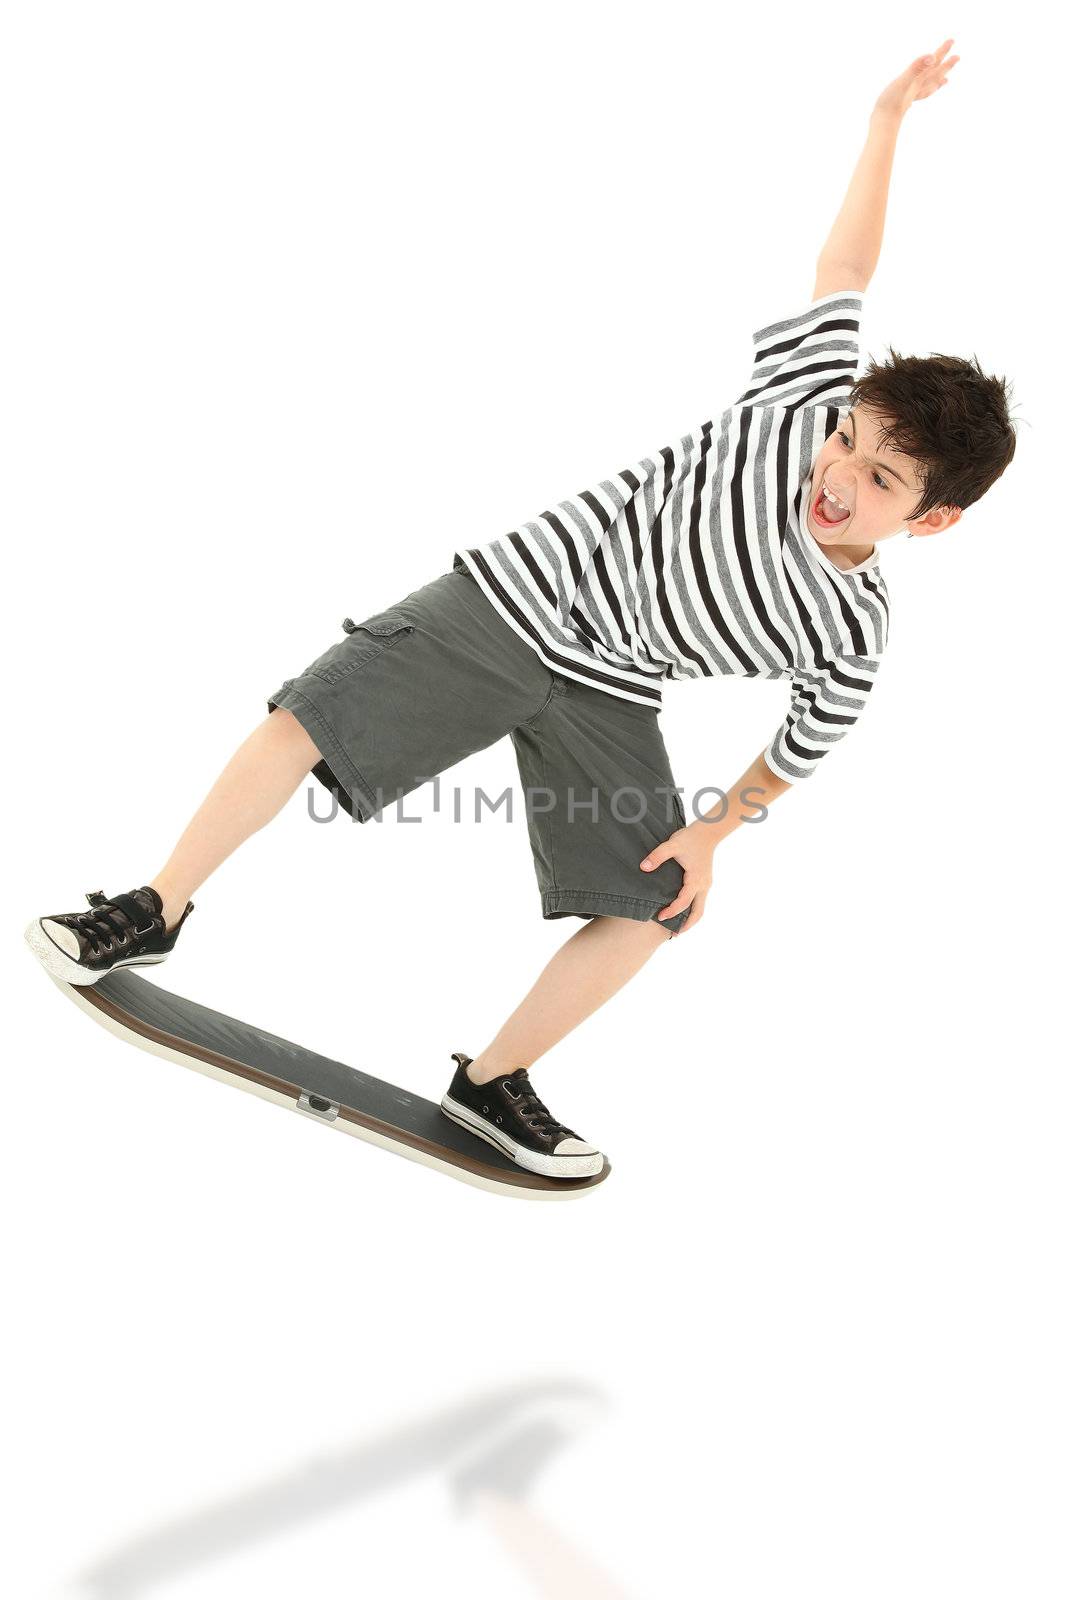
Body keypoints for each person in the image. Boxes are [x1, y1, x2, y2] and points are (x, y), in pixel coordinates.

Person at [26, 40, 1015, 1182]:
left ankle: (492, 1082)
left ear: (929, 521)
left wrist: (712, 831)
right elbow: (845, 262)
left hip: (609, 683)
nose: (839, 473)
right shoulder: (796, 398)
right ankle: (155, 905)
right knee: (306, 716)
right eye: (851, 437)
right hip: (516, 594)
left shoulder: (850, 631)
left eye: (882, 481)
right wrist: (884, 117)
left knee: (660, 905)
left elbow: (803, 743)